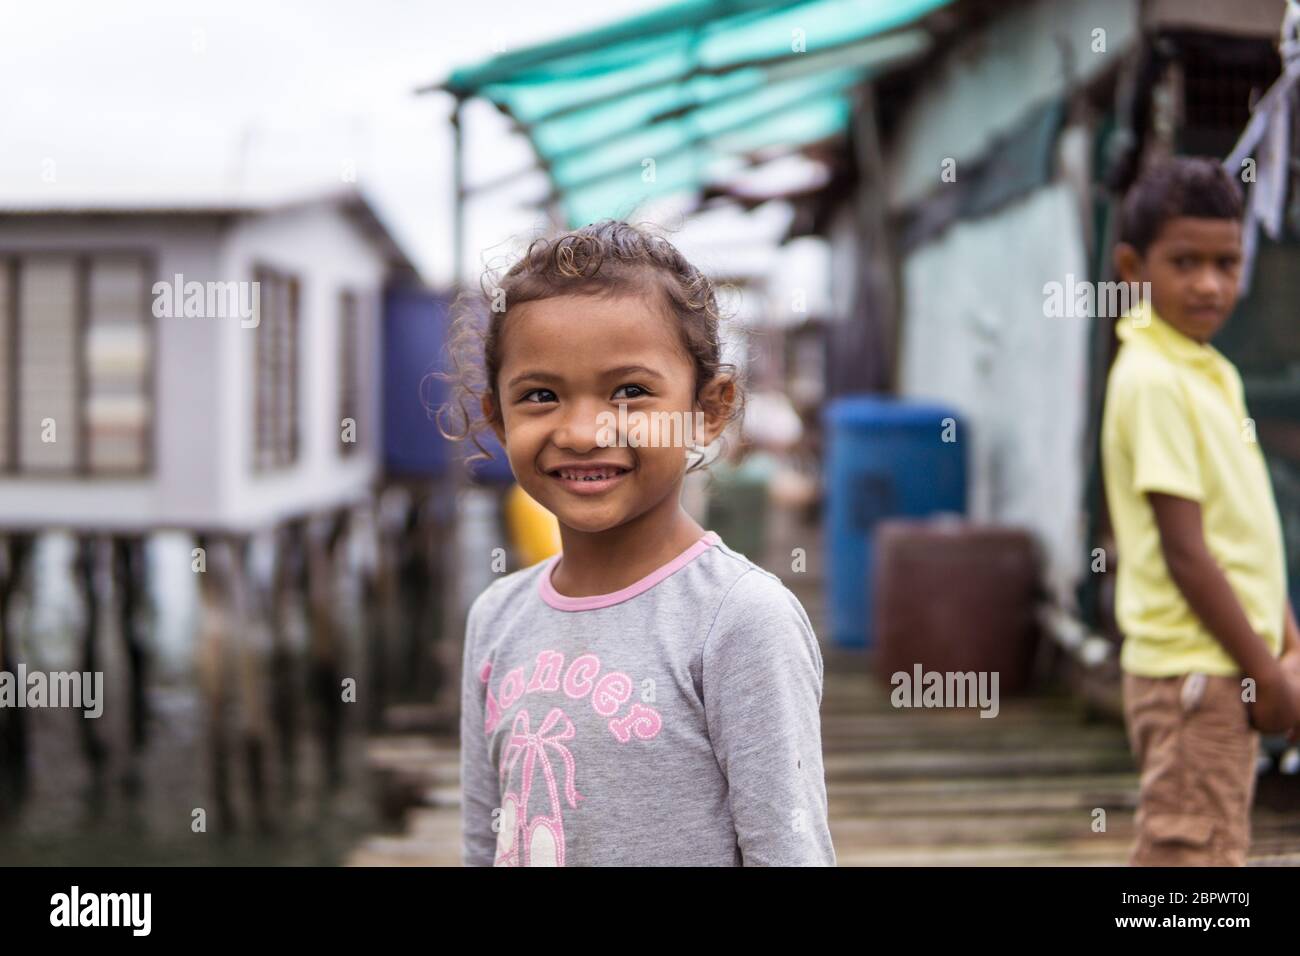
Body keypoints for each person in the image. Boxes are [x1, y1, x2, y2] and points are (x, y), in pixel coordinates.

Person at [439, 221, 836, 866]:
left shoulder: (739, 621)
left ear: (709, 408)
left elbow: (788, 852)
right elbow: (485, 843)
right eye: (540, 396)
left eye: (630, 392)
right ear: (497, 416)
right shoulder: (496, 618)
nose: (583, 431)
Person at [1101, 155, 1300, 866]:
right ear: (1132, 267)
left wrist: (1287, 647)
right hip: (1195, 674)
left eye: (1228, 262)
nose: (1211, 284)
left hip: (1227, 664)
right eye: (1185, 262)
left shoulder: (1211, 369)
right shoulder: (1153, 378)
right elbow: (1187, 551)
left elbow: (1245, 533)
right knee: (1192, 864)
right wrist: (1266, 673)